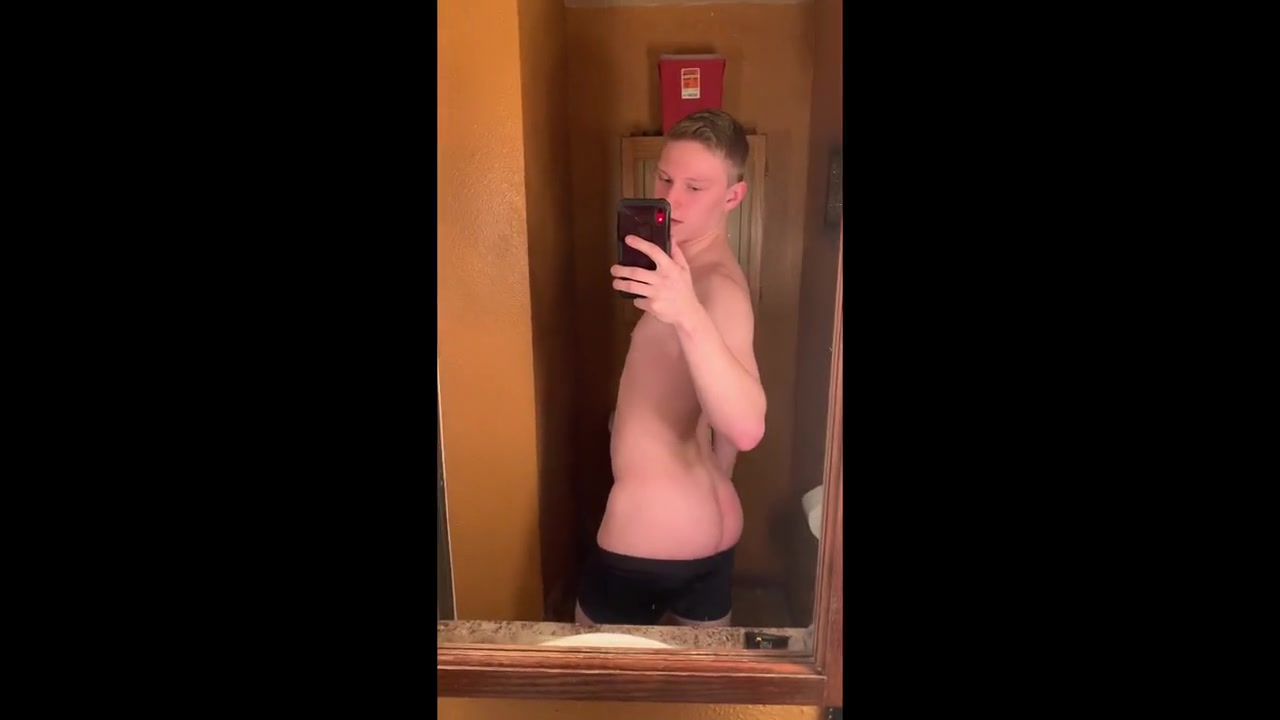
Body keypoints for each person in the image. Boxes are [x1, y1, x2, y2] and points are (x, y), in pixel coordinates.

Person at [576, 110, 766, 627]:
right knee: (694, 682)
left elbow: (746, 429)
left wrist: (686, 313)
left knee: (591, 678)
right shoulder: (694, 272)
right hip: (703, 529)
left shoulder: (713, 289)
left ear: (733, 197)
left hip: (648, 540)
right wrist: (709, 491)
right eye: (664, 179)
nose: (671, 199)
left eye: (695, 187)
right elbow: (718, 400)